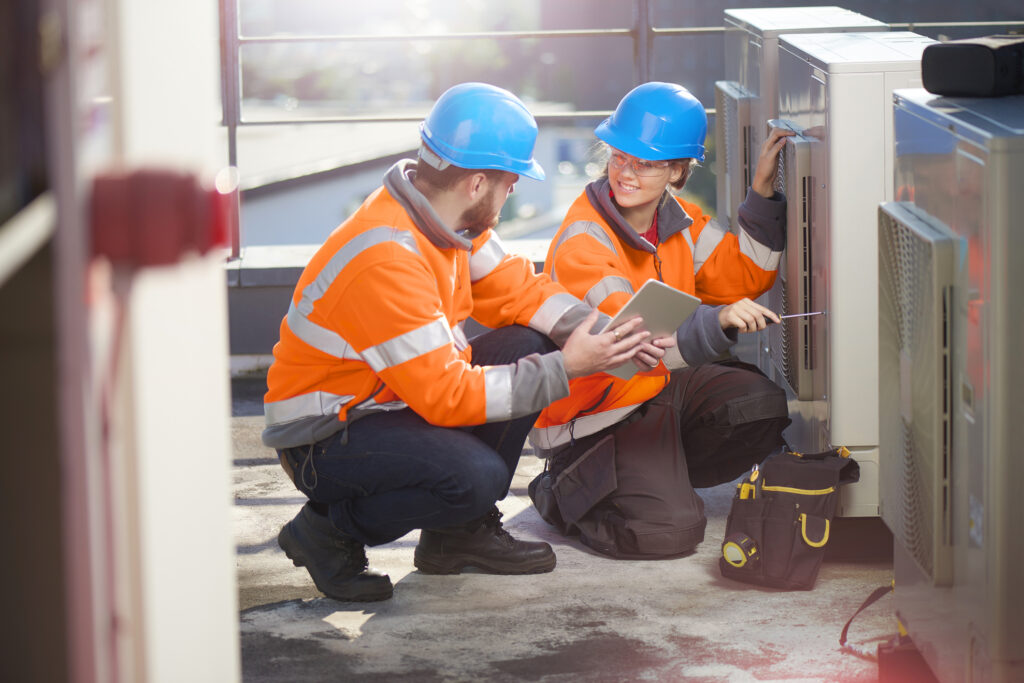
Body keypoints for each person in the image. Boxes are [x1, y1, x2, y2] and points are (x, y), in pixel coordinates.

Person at [262, 82, 670, 602]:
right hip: (323, 438)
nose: (515, 191)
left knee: (530, 340)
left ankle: (458, 537)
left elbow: (521, 292)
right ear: (478, 183)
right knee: (474, 477)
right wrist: (569, 368)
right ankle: (326, 532)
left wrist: (602, 334)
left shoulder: (445, 219)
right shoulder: (388, 256)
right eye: (511, 180)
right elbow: (447, 396)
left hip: (383, 404)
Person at [528, 81, 794, 559]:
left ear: (676, 171)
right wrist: (717, 323)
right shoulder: (583, 242)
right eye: (619, 157)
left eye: (645, 163)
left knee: (763, 406)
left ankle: (650, 476)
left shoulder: (679, 221)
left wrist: (762, 193)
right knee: (666, 534)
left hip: (657, 388)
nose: (625, 173)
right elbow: (630, 351)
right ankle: (565, 489)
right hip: (597, 414)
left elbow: (745, 276)